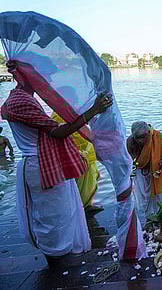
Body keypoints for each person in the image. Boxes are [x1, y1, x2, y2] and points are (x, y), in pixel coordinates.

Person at [1, 76, 112, 266]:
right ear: (21, 74)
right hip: (42, 165)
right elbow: (58, 132)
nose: (44, 79)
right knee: (52, 220)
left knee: (64, 213)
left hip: (48, 162)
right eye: (36, 72)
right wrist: (94, 110)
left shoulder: (25, 98)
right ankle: (59, 266)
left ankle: (64, 259)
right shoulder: (20, 101)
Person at [51, 112, 102, 215]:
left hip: (87, 153)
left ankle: (87, 205)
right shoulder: (58, 115)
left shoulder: (71, 111)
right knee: (80, 186)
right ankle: (79, 210)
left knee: (91, 181)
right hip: (77, 156)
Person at [127, 121, 162, 228]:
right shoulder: (130, 142)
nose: (141, 140)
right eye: (138, 138)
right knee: (144, 196)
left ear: (148, 133)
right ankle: (149, 219)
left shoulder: (156, 136)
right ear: (134, 137)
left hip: (157, 173)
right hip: (141, 174)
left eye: (143, 137)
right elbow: (130, 161)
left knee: (159, 196)